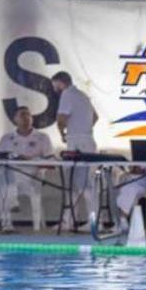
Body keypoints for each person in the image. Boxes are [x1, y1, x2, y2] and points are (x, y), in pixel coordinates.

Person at [0, 106, 53, 231]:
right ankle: (8, 222)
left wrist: (32, 159)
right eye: (22, 115)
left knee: (4, 180)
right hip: (11, 173)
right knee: (2, 174)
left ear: (32, 118)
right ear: (15, 119)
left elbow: (51, 159)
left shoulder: (42, 137)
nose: (25, 118)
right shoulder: (7, 138)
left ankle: (7, 218)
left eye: (28, 115)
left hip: (32, 174)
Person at [52, 71, 99, 229]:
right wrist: (84, 128)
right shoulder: (82, 95)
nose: (55, 90)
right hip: (87, 140)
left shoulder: (67, 94)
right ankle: (70, 219)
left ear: (61, 83)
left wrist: (63, 134)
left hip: (77, 142)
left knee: (82, 184)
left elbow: (61, 118)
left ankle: (92, 222)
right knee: (79, 184)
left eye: (55, 85)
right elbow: (95, 117)